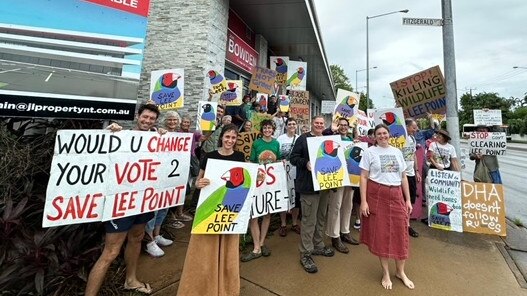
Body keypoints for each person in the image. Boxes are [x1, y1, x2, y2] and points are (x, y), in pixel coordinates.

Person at [85, 103, 166, 295]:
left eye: (152, 119)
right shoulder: (122, 136)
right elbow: (102, 156)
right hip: (120, 203)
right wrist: (110, 133)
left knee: (137, 238)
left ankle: (131, 280)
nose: (147, 121)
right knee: (111, 252)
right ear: (138, 117)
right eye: (145, 117)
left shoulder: (155, 139)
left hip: (144, 200)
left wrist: (165, 136)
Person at [177, 124, 245, 296]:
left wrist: (257, 176)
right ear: (221, 137)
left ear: (236, 140)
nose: (230, 140)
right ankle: (203, 288)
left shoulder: (240, 157)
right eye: (227, 137)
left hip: (229, 210)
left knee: (228, 251)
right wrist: (198, 184)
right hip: (209, 209)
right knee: (206, 250)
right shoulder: (209, 156)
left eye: (233, 137)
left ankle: (226, 288)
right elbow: (198, 180)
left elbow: (244, 181)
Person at [359, 123, 414, 290]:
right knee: (381, 234)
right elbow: (363, 177)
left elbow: (404, 177)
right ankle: (386, 273)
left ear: (389, 135)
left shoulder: (397, 152)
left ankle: (400, 271)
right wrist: (363, 201)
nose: (382, 136)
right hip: (377, 195)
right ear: (375, 137)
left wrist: (408, 200)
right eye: (379, 134)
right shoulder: (369, 152)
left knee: (401, 233)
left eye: (385, 133)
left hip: (396, 194)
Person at [290, 115, 334, 274]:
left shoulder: (328, 140)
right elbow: (293, 158)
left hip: (324, 185)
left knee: (321, 217)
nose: (319, 125)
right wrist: (305, 163)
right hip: (309, 186)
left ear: (325, 125)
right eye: (316, 122)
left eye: (322, 123)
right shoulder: (303, 139)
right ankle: (305, 253)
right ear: (311, 123)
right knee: (309, 220)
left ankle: (318, 244)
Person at [241, 119, 281, 261]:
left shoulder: (276, 143)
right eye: (265, 128)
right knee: (254, 215)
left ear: (273, 129)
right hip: (258, 182)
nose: (267, 130)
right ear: (262, 130)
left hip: (270, 184)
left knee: (267, 214)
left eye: (269, 128)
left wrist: (280, 162)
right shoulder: (257, 143)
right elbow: (252, 161)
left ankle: (262, 243)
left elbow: (278, 162)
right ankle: (256, 247)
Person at [144, 111, 180, 257]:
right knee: (153, 211)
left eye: (174, 120)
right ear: (165, 121)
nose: (172, 122)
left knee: (164, 208)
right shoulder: (157, 133)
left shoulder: (178, 137)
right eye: (169, 119)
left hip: (169, 178)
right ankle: (149, 241)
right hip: (155, 178)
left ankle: (157, 236)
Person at [326, 118, 359, 254]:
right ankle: (335, 236)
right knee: (336, 205)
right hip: (337, 177)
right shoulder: (332, 138)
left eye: (346, 125)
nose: (344, 127)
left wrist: (357, 145)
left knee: (348, 205)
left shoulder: (351, 140)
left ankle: (345, 231)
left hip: (350, 177)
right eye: (341, 125)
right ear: (337, 126)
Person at [276, 117, 301, 237]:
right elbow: (276, 155)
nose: (291, 125)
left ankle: (295, 223)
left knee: (296, 199)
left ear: (296, 126)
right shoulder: (280, 139)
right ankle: (283, 224)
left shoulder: (300, 139)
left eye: (293, 124)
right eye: (289, 124)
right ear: (286, 126)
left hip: (297, 173)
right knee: (283, 198)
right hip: (283, 173)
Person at [402, 119, 422, 238]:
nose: (416, 129)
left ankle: (407, 224)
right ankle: (403, 224)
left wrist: (417, 171)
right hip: (400, 175)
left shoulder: (413, 139)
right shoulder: (400, 139)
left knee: (410, 200)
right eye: (414, 127)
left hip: (410, 174)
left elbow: (413, 154)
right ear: (407, 127)